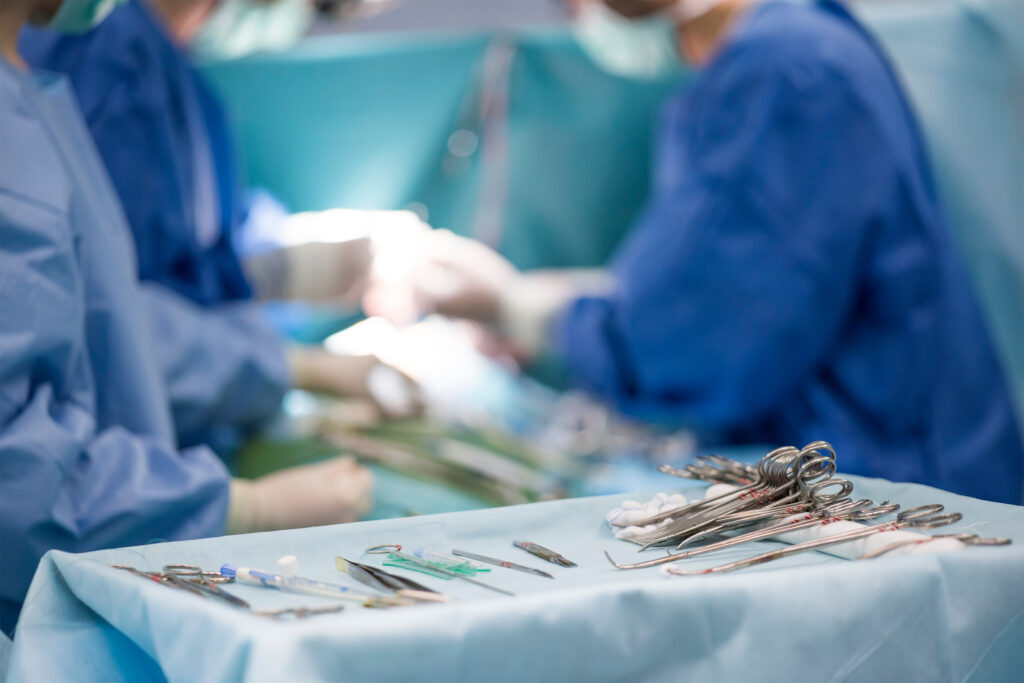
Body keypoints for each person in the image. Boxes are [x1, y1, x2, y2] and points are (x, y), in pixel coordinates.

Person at [371, 0, 1024, 503]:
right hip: (869, 461)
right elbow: (724, 278)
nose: (575, 15)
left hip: (893, 488)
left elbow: (692, 343)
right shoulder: (790, 51)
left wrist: (520, 308)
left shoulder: (788, 75)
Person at [0, 0, 372, 635]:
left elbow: (103, 301)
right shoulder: (101, 61)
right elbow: (19, 485)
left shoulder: (29, 94)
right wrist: (240, 507)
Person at [19, 0, 420, 457]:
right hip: (123, 456)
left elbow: (192, 253)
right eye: (322, 7)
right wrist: (296, 368)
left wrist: (285, 267)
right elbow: (105, 323)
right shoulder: (107, 59)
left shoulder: (164, 70)